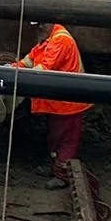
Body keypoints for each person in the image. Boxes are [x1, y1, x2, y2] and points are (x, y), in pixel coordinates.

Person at [13, 20, 92, 187]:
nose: (38, 28)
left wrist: (18, 77)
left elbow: (44, 69)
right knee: (55, 137)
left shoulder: (61, 40)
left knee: (66, 139)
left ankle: (62, 175)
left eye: (41, 25)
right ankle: (55, 166)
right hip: (59, 102)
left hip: (70, 102)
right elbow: (30, 60)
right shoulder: (48, 40)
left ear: (50, 23)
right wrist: (11, 68)